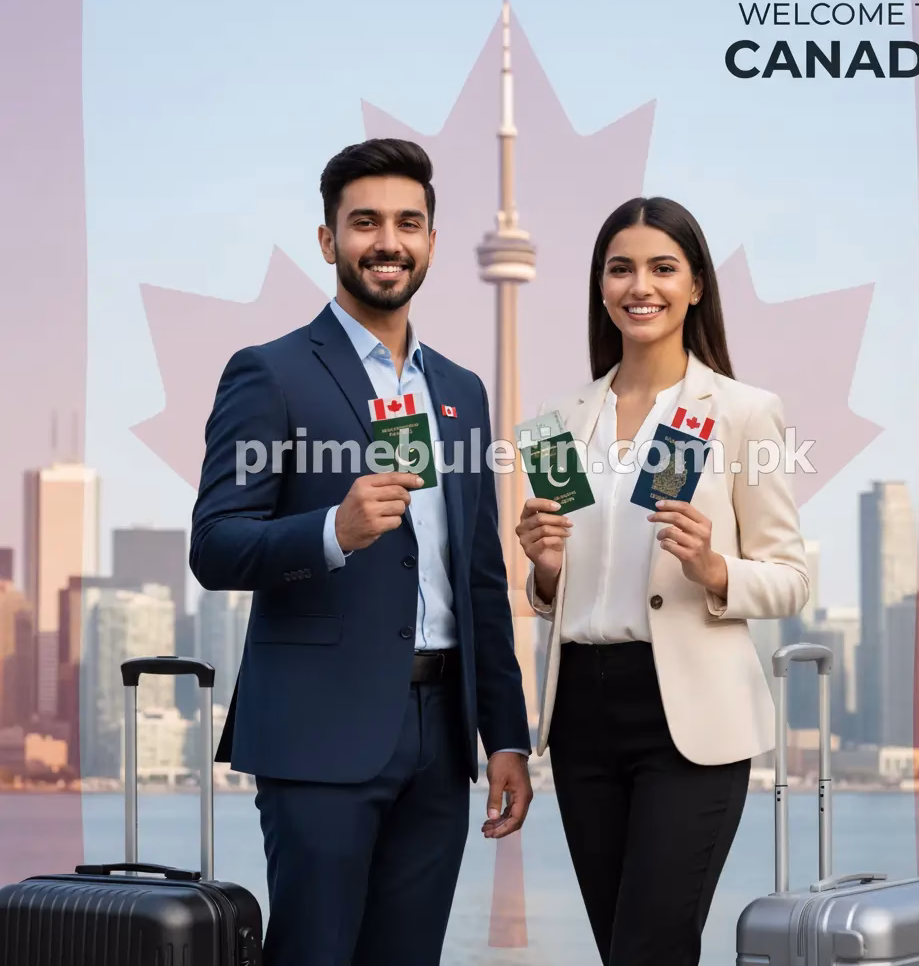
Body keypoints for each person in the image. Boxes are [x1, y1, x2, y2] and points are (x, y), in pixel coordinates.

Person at [190, 138, 533, 966]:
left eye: (408, 223)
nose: (389, 242)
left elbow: (480, 576)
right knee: (312, 954)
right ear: (327, 239)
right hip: (319, 730)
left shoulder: (460, 392)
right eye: (366, 222)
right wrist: (330, 533)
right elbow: (215, 545)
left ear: (432, 242)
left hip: (441, 736)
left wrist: (507, 737)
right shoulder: (269, 375)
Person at [516, 196, 809, 965]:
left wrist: (714, 570)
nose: (639, 286)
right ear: (600, 287)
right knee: (622, 949)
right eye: (620, 269)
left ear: (697, 286)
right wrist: (544, 572)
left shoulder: (743, 412)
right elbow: (556, 589)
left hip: (690, 718)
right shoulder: (554, 421)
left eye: (661, 268)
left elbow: (790, 578)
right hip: (580, 710)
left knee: (652, 945)